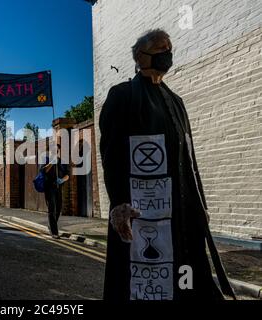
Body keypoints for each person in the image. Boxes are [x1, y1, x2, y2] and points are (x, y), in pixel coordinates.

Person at [99, 29, 235, 301]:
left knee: (190, 282)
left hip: (183, 215)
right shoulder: (122, 96)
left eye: (169, 49)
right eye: (161, 49)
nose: (167, 55)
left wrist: (201, 205)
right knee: (143, 285)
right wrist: (119, 203)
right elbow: (111, 154)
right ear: (140, 56)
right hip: (143, 215)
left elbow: (190, 160)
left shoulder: (176, 101)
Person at [40, 144, 69, 239]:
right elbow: (43, 171)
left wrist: (63, 180)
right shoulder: (45, 159)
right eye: (53, 149)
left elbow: (67, 174)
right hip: (49, 187)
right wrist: (52, 162)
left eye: (57, 149)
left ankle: (51, 226)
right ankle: (54, 232)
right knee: (52, 209)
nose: (55, 151)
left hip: (58, 187)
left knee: (59, 208)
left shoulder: (62, 161)